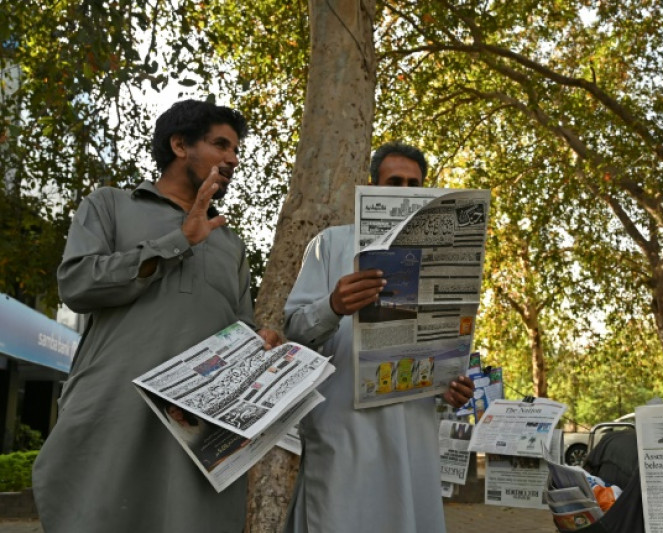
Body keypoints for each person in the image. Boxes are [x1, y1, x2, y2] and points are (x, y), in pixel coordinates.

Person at [32, 99, 280, 533]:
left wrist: (261, 342)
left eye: (236, 149)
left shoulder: (231, 244)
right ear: (180, 144)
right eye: (221, 144)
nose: (233, 158)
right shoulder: (110, 205)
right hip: (113, 413)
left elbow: (239, 329)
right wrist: (179, 240)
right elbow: (76, 285)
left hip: (197, 432)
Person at [282, 141, 475, 533]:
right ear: (372, 187)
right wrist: (333, 305)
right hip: (344, 427)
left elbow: (447, 344)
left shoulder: (445, 256)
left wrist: (451, 386)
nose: (404, 190)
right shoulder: (332, 244)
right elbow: (294, 332)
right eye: (394, 182)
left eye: (413, 184)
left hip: (413, 432)